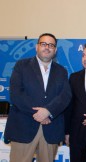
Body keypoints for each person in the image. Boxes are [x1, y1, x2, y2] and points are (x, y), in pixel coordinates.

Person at [4, 33, 72, 162]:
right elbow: (16, 93)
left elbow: (65, 96)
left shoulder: (61, 71)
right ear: (37, 47)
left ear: (55, 50)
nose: (47, 47)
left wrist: (48, 111)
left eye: (51, 45)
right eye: (44, 44)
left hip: (50, 128)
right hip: (24, 127)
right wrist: (39, 113)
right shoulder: (21, 66)